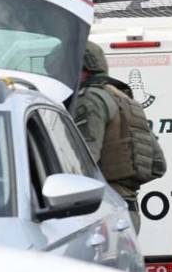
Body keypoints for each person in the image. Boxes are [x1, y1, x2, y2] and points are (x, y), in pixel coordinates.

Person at [71, 42, 165, 214]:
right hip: (127, 210)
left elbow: (83, 163)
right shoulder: (127, 101)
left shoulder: (90, 99)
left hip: (102, 210)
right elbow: (158, 166)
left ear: (81, 68)